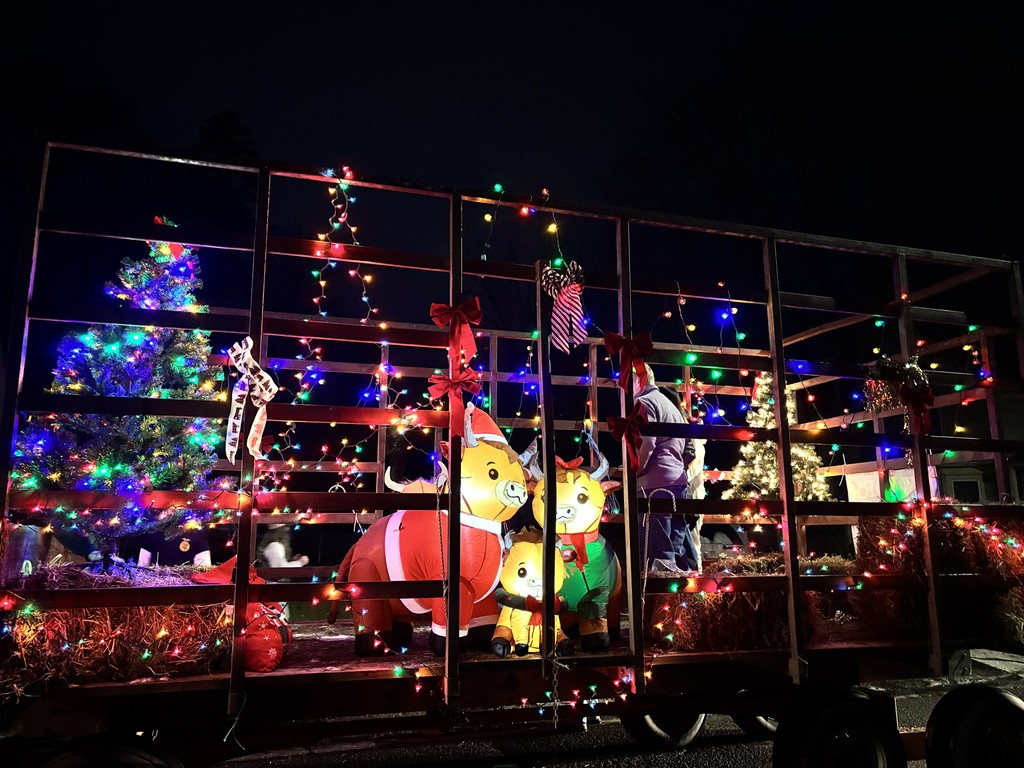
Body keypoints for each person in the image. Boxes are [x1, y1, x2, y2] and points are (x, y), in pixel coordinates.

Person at [632, 367, 701, 574]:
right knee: (675, 547)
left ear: (638, 380)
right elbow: (688, 448)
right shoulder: (670, 405)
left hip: (654, 484)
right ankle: (679, 590)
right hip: (677, 483)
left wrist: (636, 470)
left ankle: (659, 591)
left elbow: (647, 442)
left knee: (657, 555)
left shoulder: (644, 402)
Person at [137, 527, 212, 567]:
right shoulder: (153, 533)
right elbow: (142, 566)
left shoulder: (197, 534)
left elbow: (203, 568)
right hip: (156, 584)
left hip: (187, 585)